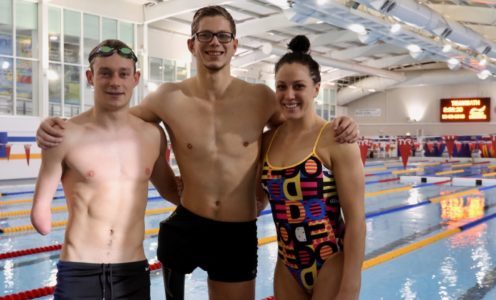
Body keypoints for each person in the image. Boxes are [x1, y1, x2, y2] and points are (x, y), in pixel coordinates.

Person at [35, 6, 359, 300]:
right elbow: (115, 117)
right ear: (192, 44)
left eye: (222, 36)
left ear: (235, 45)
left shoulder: (261, 98)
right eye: (205, 35)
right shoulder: (169, 97)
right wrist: (63, 126)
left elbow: (299, 127)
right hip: (186, 225)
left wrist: (340, 126)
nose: (214, 42)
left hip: (236, 231)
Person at [31, 39, 179, 300]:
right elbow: (40, 220)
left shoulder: (153, 135)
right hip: (79, 271)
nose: (115, 82)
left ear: (136, 78)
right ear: (90, 77)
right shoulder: (63, 135)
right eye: (105, 73)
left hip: (132, 271)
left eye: (123, 74)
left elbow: (174, 192)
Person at [259, 35, 365, 299]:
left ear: (316, 88)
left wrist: (350, 287)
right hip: (286, 264)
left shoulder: (337, 138)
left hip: (330, 262)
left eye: (299, 86)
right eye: (281, 87)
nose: (289, 95)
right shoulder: (267, 141)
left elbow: (356, 220)